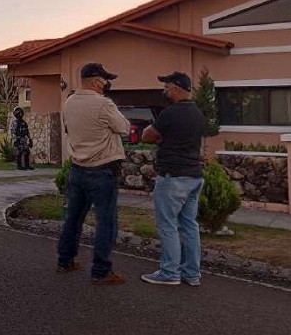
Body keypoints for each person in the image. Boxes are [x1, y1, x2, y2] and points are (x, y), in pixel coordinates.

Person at [56, 62, 130, 285]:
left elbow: (68, 129)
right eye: (106, 80)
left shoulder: (68, 102)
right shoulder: (103, 104)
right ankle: (101, 271)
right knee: (105, 221)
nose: (107, 84)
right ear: (97, 81)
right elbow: (124, 128)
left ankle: (65, 260)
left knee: (73, 218)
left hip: (77, 169)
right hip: (102, 169)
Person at [140, 71, 205, 287]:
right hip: (194, 175)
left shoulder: (171, 113)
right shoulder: (197, 113)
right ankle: (192, 273)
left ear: (177, 87)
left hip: (172, 176)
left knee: (167, 225)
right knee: (189, 225)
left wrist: (157, 132)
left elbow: (147, 135)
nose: (164, 90)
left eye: (167, 86)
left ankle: (169, 272)